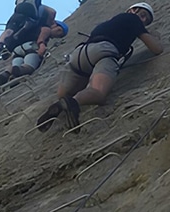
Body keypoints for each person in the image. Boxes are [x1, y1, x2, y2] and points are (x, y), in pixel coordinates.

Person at [36, 3, 163, 131]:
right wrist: (155, 37)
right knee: (98, 93)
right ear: (132, 10)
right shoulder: (133, 19)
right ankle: (73, 102)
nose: (144, 20)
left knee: (64, 94)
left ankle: (62, 103)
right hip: (104, 51)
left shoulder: (109, 23)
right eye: (143, 15)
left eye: (146, 20)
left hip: (79, 54)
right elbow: (156, 49)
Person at [0, 20, 69, 91]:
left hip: (18, 49)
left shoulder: (34, 27)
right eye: (59, 30)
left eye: (60, 36)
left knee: (17, 66)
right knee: (29, 68)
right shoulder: (46, 28)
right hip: (31, 47)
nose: (58, 34)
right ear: (54, 24)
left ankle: (7, 74)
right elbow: (41, 40)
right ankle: (12, 72)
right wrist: (41, 48)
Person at [0, 1, 60, 66]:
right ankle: (24, 30)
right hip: (30, 12)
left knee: (9, 30)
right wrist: (48, 23)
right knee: (33, 27)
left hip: (18, 11)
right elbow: (52, 12)